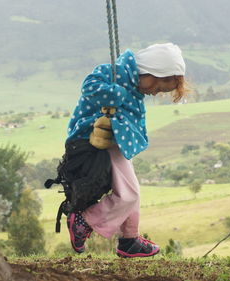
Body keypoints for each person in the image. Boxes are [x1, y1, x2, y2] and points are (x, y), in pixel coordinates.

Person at [65, 43, 188, 258]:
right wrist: (113, 94)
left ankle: (129, 239)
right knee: (128, 194)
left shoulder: (134, 83)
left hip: (117, 139)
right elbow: (89, 86)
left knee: (133, 191)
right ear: (151, 70)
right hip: (96, 135)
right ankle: (85, 220)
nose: (154, 93)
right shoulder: (114, 73)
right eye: (157, 87)